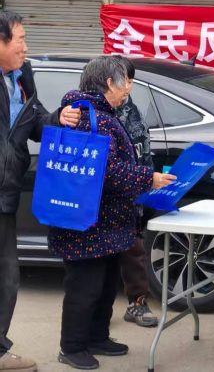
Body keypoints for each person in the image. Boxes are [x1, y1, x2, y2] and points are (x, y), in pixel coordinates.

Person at [48, 56, 176, 370]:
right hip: (86, 223)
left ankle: (97, 337)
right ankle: (72, 347)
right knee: (85, 287)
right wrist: (148, 178)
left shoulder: (100, 114)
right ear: (109, 83)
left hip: (103, 221)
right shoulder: (91, 118)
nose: (128, 89)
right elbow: (105, 171)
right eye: (126, 82)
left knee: (105, 285)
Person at [0, 11, 80, 372]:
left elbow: (34, 121)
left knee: (7, 279)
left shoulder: (21, 77)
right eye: (19, 40)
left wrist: (58, 118)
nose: (25, 47)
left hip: (6, 193)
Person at [114, 57, 158, 328]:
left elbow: (145, 151)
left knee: (134, 251)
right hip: (105, 196)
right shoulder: (95, 112)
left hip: (132, 194)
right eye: (124, 80)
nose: (128, 86)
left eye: (131, 80)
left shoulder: (133, 111)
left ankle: (137, 303)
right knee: (98, 263)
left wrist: (146, 183)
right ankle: (95, 316)